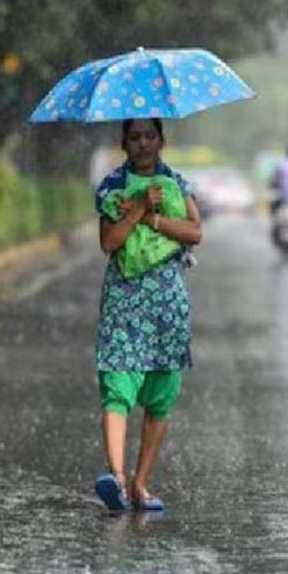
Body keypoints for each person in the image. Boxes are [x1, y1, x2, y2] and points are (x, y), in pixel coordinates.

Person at [93, 118, 202, 512]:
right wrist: (137, 209)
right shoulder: (111, 188)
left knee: (160, 394)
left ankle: (141, 485)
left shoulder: (178, 183)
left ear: (161, 140)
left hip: (167, 304)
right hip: (125, 300)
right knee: (117, 383)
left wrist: (156, 218)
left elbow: (195, 232)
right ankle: (117, 479)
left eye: (149, 137)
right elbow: (109, 242)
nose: (142, 144)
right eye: (135, 137)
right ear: (124, 143)